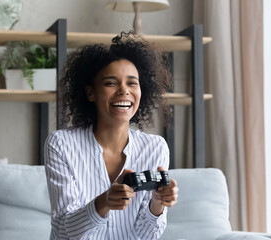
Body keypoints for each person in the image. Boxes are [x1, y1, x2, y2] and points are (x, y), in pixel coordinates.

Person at [44, 31, 178, 240]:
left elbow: (145, 236)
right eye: (111, 83)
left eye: (132, 83)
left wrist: (158, 204)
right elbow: (64, 230)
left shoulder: (155, 148)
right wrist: (103, 203)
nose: (124, 90)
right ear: (90, 93)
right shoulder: (62, 145)